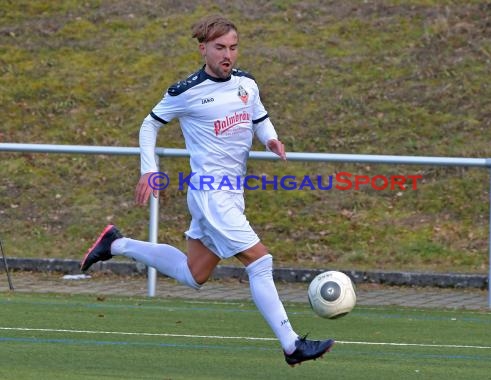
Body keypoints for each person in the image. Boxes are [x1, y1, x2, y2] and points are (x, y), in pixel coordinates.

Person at [80, 14, 334, 366]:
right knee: (260, 261)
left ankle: (116, 243)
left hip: (232, 192)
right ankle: (292, 345)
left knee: (193, 274)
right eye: (219, 48)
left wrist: (270, 138)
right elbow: (149, 125)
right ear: (204, 49)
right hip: (210, 192)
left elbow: (258, 116)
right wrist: (149, 169)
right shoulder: (185, 92)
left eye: (233, 47)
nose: (228, 54)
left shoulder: (247, 83)